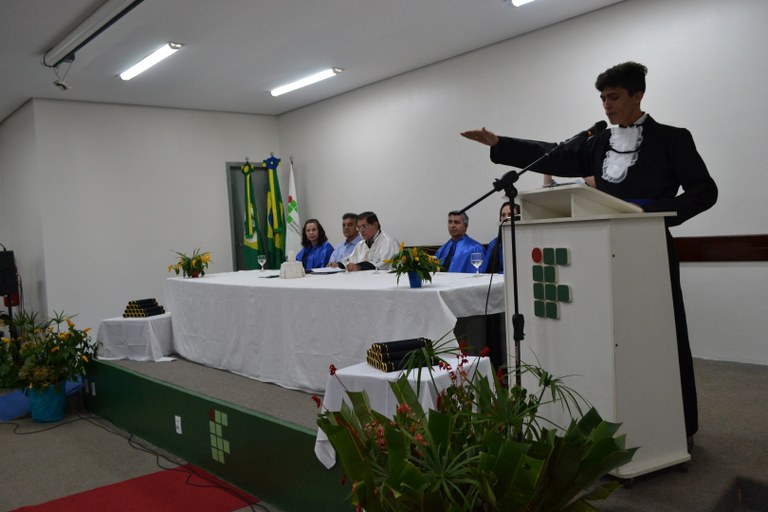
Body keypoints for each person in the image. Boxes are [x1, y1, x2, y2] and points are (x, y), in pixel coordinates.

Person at [461, 61, 717, 442]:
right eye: (602, 98)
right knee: (608, 337)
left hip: (647, 251)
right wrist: (501, 145)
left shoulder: (673, 139)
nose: (607, 106)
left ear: (638, 95)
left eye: (613, 97)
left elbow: (704, 192)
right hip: (599, 255)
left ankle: (674, 424)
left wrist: (655, 210)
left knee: (659, 336)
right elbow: (554, 155)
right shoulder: (598, 142)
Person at [480, 201, 514, 274]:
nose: (506, 218)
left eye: (510, 215)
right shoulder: (494, 243)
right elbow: (484, 270)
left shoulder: (523, 243)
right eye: (503, 215)